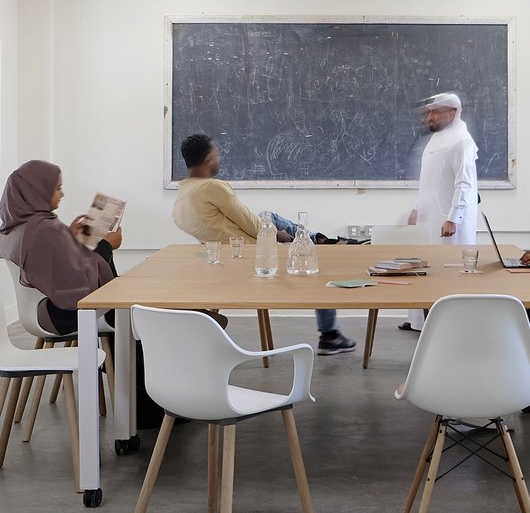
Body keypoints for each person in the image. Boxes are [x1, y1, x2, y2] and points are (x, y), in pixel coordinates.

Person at [0, 160, 166, 428]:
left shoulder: (16, 227)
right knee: (134, 311)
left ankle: (137, 395)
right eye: (57, 189)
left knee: (126, 305)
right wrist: (105, 246)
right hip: (62, 313)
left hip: (38, 312)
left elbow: (55, 265)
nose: (62, 195)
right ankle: (148, 410)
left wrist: (70, 236)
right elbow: (80, 284)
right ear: (37, 191)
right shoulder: (43, 228)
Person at [172, 134, 356, 355]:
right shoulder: (212, 187)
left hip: (226, 257)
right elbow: (251, 224)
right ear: (210, 158)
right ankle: (330, 335)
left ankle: (317, 239)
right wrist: (278, 235)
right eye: (218, 154)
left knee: (270, 216)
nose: (219, 158)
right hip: (255, 257)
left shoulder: (181, 197)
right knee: (316, 260)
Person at [401, 91, 478, 331]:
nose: (430, 117)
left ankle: (448, 325)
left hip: (448, 222)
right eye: (429, 112)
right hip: (428, 218)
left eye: (436, 112)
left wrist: (453, 219)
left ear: (452, 113)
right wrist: (416, 209)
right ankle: (420, 321)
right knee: (424, 268)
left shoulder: (461, 140)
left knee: (447, 272)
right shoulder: (437, 139)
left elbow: (463, 184)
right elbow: (429, 181)